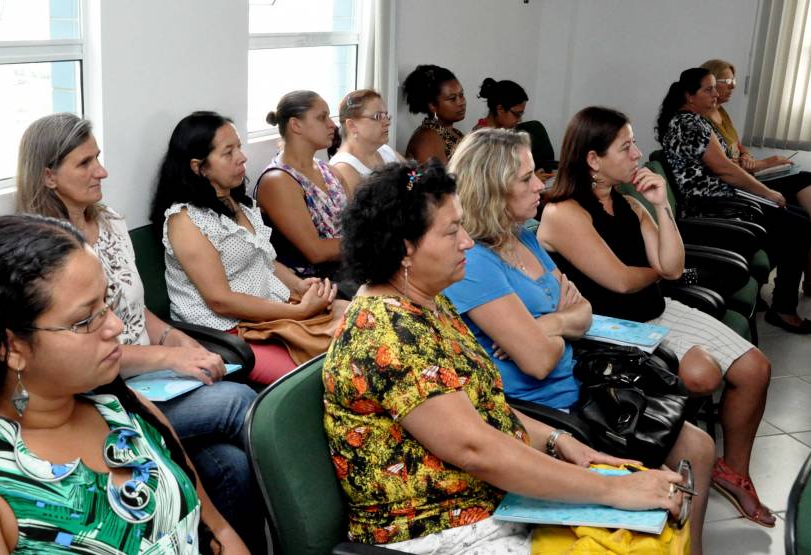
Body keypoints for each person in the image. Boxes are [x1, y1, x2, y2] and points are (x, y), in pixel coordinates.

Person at [324, 160, 693, 552]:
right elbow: (477, 450)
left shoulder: (427, 303)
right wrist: (613, 491)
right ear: (405, 250)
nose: (467, 242)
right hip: (439, 530)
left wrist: (557, 439)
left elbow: (482, 407)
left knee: (651, 519)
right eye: (452, 231)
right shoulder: (389, 333)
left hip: (490, 502)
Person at [445, 128, 713, 553]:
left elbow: (584, 311)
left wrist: (547, 324)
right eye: (526, 178)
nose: (541, 185)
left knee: (700, 447)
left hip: (582, 387)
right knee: (672, 477)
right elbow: (536, 363)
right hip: (543, 413)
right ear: (492, 190)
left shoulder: (523, 236)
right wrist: (560, 324)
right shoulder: (476, 262)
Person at [0, 214, 249, 554]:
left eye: (107, 303)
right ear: (12, 347)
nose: (116, 326)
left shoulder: (127, 410)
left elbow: (217, 529)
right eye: (85, 319)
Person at [14, 113, 262, 551]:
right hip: (104, 392)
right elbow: (85, 347)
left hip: (154, 379)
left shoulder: (110, 221)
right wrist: (169, 358)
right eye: (85, 163)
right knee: (240, 403)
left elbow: (136, 310)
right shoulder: (42, 252)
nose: (102, 172)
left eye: (98, 158)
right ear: (49, 176)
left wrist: (179, 342)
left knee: (230, 465)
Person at [539, 106, 776, 528]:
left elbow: (672, 262)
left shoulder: (630, 203)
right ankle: (667, 455)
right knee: (702, 375)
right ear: (593, 159)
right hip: (611, 329)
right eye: (626, 147)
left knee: (756, 368)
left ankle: (733, 472)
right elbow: (621, 281)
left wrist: (661, 206)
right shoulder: (563, 212)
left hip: (659, 309)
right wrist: (661, 273)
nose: (637, 154)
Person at [151, 111, 347, 385]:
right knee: (319, 375)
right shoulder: (185, 219)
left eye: (239, 147)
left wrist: (299, 286)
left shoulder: (238, 203)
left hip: (269, 314)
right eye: (228, 152)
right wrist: (299, 312)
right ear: (199, 167)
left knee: (359, 320)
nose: (242, 157)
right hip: (230, 331)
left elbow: (264, 259)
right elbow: (220, 300)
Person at [657, 68, 811, 334]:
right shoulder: (690, 123)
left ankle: (771, 295)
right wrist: (766, 193)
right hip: (712, 205)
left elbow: (726, 165)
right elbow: (725, 170)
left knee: (799, 219)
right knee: (798, 226)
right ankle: (784, 308)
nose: (715, 94)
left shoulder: (693, 120)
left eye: (715, 88)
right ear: (689, 95)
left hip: (720, 197)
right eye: (708, 89)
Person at [701, 58, 811, 298]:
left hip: (743, 176)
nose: (732, 86)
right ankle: (810, 281)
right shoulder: (697, 121)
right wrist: (765, 164)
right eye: (726, 80)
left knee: (805, 179)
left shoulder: (722, 113)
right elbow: (723, 168)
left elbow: (736, 147)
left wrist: (747, 155)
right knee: (801, 215)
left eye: (733, 80)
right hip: (733, 189)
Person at [255, 90, 349, 280]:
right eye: (322, 117)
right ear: (296, 125)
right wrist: (374, 241)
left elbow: (357, 222)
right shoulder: (277, 180)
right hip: (312, 284)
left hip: (349, 270)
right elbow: (316, 251)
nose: (332, 124)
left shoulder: (329, 171)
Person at [330, 89, 404, 191]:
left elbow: (415, 175)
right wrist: (410, 188)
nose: (387, 122)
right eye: (378, 116)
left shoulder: (385, 151)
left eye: (386, 116)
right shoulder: (343, 168)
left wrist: (411, 187)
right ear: (352, 125)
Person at [402, 64, 467, 164]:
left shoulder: (454, 132)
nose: (461, 102)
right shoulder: (427, 139)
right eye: (452, 98)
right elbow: (437, 174)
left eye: (461, 95)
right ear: (432, 106)